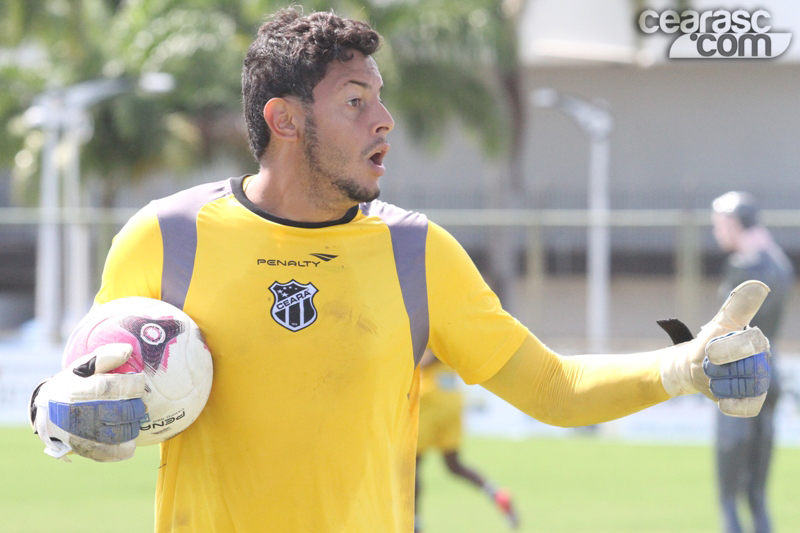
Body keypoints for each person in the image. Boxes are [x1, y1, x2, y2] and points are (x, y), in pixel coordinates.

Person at [29, 8, 772, 533]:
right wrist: (59, 413)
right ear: (286, 120)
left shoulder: (419, 253)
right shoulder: (164, 237)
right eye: (356, 101)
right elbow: (86, 388)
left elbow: (549, 386)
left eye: (380, 99)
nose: (384, 120)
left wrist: (687, 365)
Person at [711, 191, 794, 533]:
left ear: (733, 224)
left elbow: (725, 331)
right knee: (757, 495)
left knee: (729, 499)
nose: (717, 232)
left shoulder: (743, 268)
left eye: (719, 224)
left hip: (737, 381)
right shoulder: (779, 263)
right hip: (769, 375)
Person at [414, 349, 519, 532]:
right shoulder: (450, 327)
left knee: (413, 464)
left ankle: (415, 524)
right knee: (454, 464)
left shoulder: (427, 324)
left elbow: (430, 357)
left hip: (431, 399)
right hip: (453, 398)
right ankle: (496, 494)